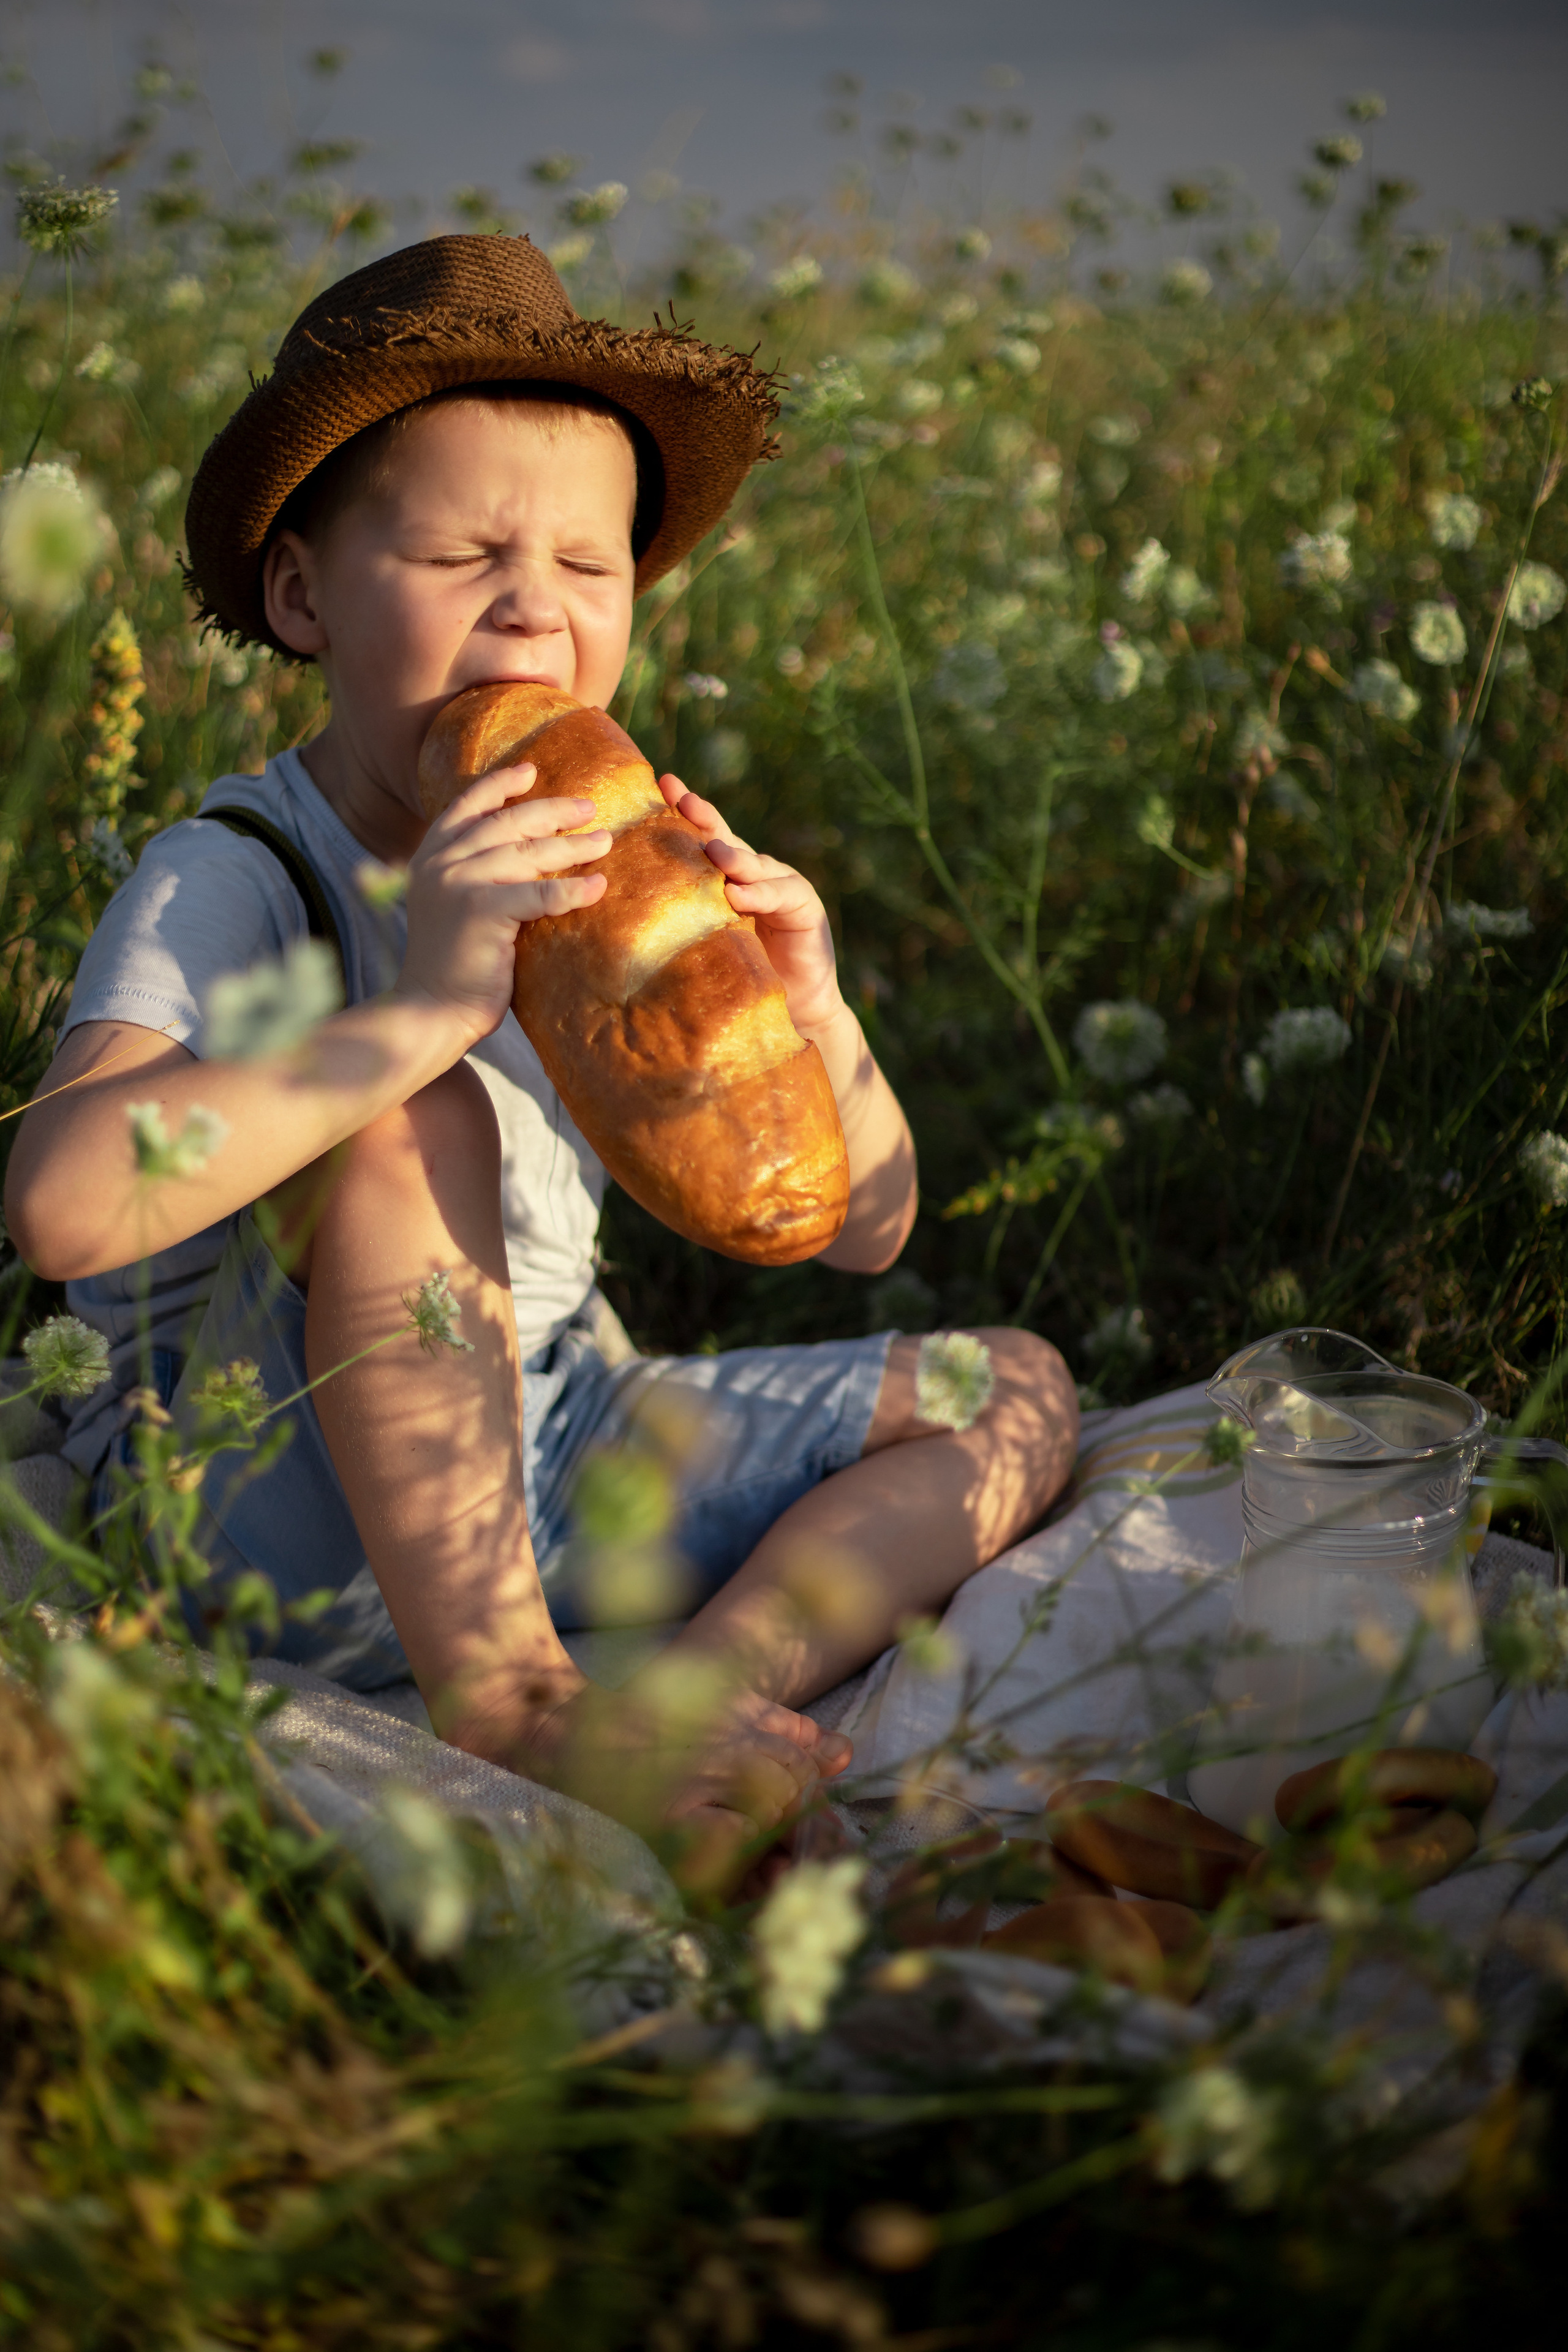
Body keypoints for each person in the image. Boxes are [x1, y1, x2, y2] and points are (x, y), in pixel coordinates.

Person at [6, 236, 1077, 1874]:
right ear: (302, 594)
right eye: (465, 555)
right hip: (248, 1475)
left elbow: (860, 1232)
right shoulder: (240, 871)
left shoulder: (615, 858)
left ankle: (688, 1700)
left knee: (1007, 1393)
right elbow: (65, 1212)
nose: (536, 606)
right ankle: (509, 1703)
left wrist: (818, 1016)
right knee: (415, 1117)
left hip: (538, 1434)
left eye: (592, 567)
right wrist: (422, 1012)